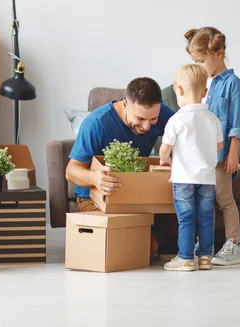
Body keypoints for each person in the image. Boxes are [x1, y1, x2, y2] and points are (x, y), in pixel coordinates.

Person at [65, 77, 175, 257]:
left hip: (136, 195)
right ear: (125, 104)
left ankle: (152, 237)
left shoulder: (161, 114)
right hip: (95, 199)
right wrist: (95, 178)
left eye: (153, 119)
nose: (147, 126)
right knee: (134, 250)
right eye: (140, 118)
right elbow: (71, 171)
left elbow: (187, 132)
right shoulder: (97, 123)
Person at [164, 27, 240, 266]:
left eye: (201, 61)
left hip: (221, 154)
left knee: (224, 198)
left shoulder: (233, 83)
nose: (198, 66)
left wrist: (233, 152)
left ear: (218, 54)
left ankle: (234, 245)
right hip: (199, 158)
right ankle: (203, 249)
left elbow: (236, 122)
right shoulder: (201, 82)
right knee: (203, 203)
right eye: (195, 61)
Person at [159, 64, 224, 272]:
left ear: (178, 90)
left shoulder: (176, 120)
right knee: (206, 218)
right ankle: (205, 257)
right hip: (207, 179)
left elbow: (165, 148)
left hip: (184, 179)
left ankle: (185, 258)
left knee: (186, 219)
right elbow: (220, 145)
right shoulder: (213, 119)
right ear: (205, 92)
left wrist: (165, 159)